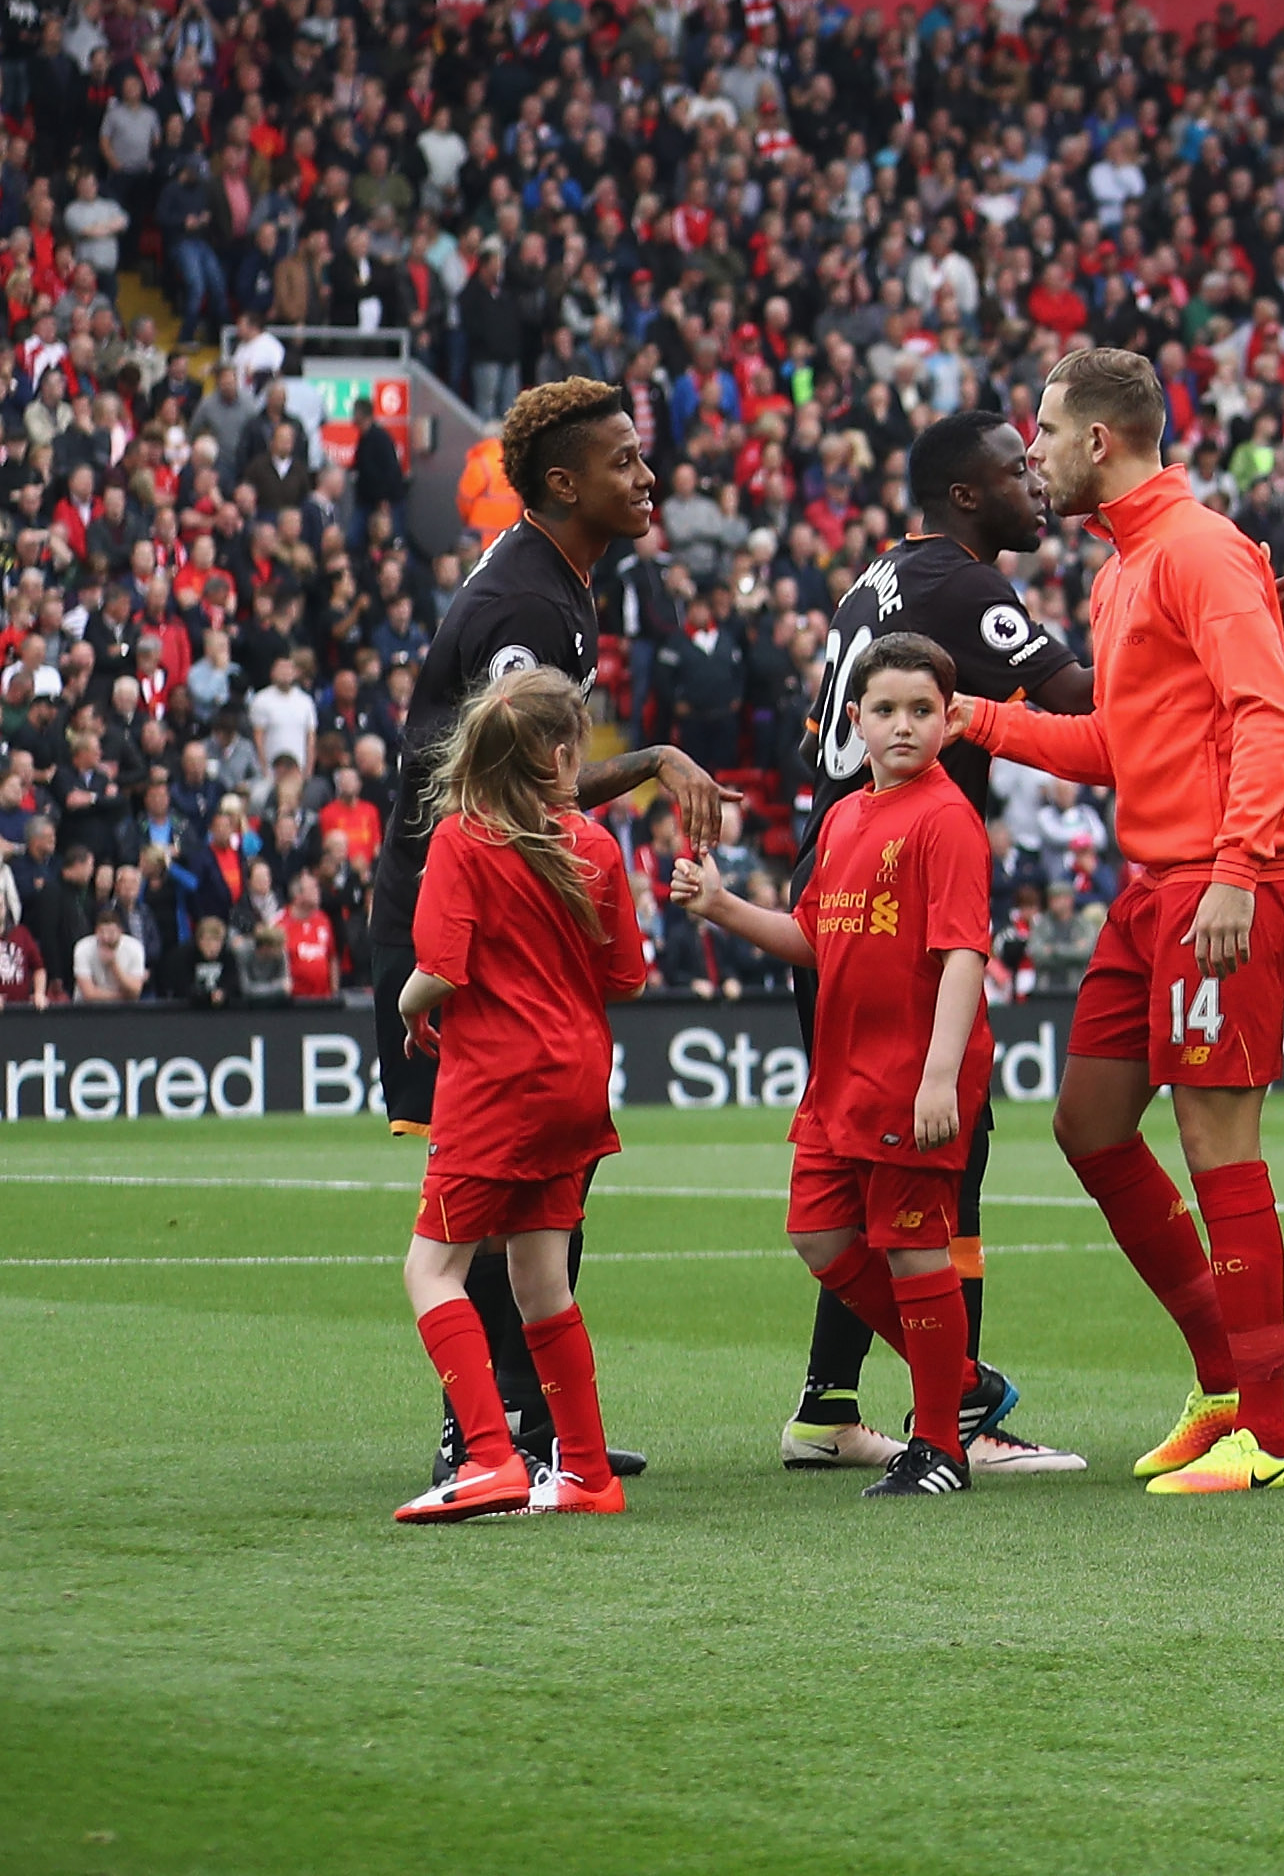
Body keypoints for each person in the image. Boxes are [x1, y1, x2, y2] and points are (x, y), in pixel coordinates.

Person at [948, 345, 1284, 1493]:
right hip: (1155, 881)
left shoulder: (1200, 550)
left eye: (1047, 437)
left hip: (1226, 880)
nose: (1035, 457)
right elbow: (1117, 747)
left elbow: (1274, 719)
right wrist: (979, 717)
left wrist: (1234, 869)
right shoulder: (1124, 571)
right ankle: (1224, 1385)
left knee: (1218, 1139)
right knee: (1090, 1123)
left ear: (1100, 442)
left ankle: (1269, 1434)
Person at [379, 378, 718, 1494]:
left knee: (531, 1198)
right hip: (468, 904)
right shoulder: (529, 609)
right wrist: (661, 762)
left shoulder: (554, 577)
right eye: (626, 460)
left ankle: (531, 1426)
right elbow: (529, 775)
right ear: (565, 483)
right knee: (489, 1200)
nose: (649, 476)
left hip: (496, 893)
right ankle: (481, 1434)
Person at [785, 409, 1091, 1476]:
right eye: (1018, 470)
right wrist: (1223, 636)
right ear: (968, 496)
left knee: (870, 1183)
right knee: (940, 1172)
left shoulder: (877, 580)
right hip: (901, 892)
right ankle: (959, 1417)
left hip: (836, 884)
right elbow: (1084, 705)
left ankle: (830, 1405)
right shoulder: (967, 587)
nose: (1037, 483)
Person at [669, 632, 997, 1500]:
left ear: (947, 720)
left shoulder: (947, 818)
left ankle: (941, 1448)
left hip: (910, 1073)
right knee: (820, 1234)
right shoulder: (847, 816)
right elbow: (813, 937)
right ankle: (959, 1382)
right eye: (885, 710)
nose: (903, 726)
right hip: (843, 1071)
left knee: (914, 1252)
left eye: (922, 710)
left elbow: (965, 954)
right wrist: (721, 907)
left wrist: (937, 1077)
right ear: (853, 721)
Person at [390, 668, 648, 1521]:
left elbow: (439, 972)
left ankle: (490, 1456)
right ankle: (585, 1474)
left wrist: (405, 1008)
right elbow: (627, 979)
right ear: (564, 754)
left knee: (432, 1271)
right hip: (576, 1083)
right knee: (544, 1284)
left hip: (496, 1085)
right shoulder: (598, 847)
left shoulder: (464, 841)